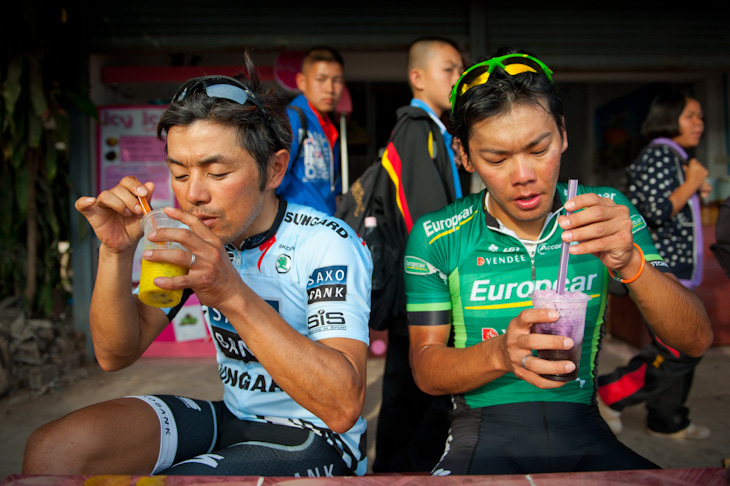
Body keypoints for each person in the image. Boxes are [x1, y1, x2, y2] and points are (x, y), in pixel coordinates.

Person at [22, 53, 372, 477]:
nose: (194, 195)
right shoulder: (193, 236)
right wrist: (115, 253)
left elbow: (342, 406)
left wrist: (229, 290)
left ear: (275, 168)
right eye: (180, 173)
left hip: (318, 434)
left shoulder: (326, 243)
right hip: (234, 418)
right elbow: (116, 354)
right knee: (54, 451)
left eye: (217, 172)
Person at [403, 48, 713, 475]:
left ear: (563, 134)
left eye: (538, 148)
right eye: (496, 158)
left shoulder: (604, 213)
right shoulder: (439, 234)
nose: (523, 175)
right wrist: (500, 354)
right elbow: (425, 368)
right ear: (464, 155)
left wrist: (632, 264)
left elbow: (695, 339)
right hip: (482, 433)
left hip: (584, 426)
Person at [371, 36, 463, 473]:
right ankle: (404, 471)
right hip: (424, 291)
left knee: (408, 389)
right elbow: (430, 222)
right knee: (419, 392)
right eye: (449, 69)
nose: (458, 78)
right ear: (418, 77)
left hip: (422, 288)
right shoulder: (417, 130)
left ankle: (395, 467)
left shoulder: (432, 130)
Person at [597, 92, 712, 439]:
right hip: (662, 267)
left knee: (683, 347)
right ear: (669, 117)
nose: (699, 124)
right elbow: (653, 211)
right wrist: (691, 184)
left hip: (679, 269)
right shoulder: (660, 154)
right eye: (691, 116)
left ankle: (667, 419)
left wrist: (694, 189)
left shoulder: (676, 157)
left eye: (701, 116)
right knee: (677, 349)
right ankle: (611, 391)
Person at [277, 46, 345, 215]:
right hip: (296, 224)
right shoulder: (293, 118)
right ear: (302, 82)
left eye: (337, 80)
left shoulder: (329, 127)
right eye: (321, 79)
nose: (330, 88)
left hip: (324, 226)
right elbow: (274, 180)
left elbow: (335, 190)